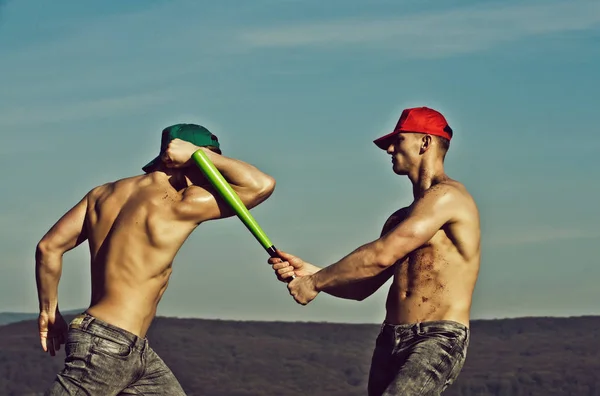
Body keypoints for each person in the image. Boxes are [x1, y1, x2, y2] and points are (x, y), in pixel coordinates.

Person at [36, 123, 276, 395]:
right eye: (208, 166)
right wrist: (201, 154)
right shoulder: (180, 202)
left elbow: (48, 247)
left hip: (130, 349)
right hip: (107, 346)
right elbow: (262, 185)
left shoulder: (101, 195)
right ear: (185, 159)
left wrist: (49, 311)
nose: (212, 177)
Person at [269, 107, 481, 395]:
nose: (390, 149)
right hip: (390, 338)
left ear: (425, 142)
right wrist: (312, 272)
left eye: (399, 140)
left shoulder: (448, 197)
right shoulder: (400, 218)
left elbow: (382, 253)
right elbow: (362, 287)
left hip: (436, 338)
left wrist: (315, 283)